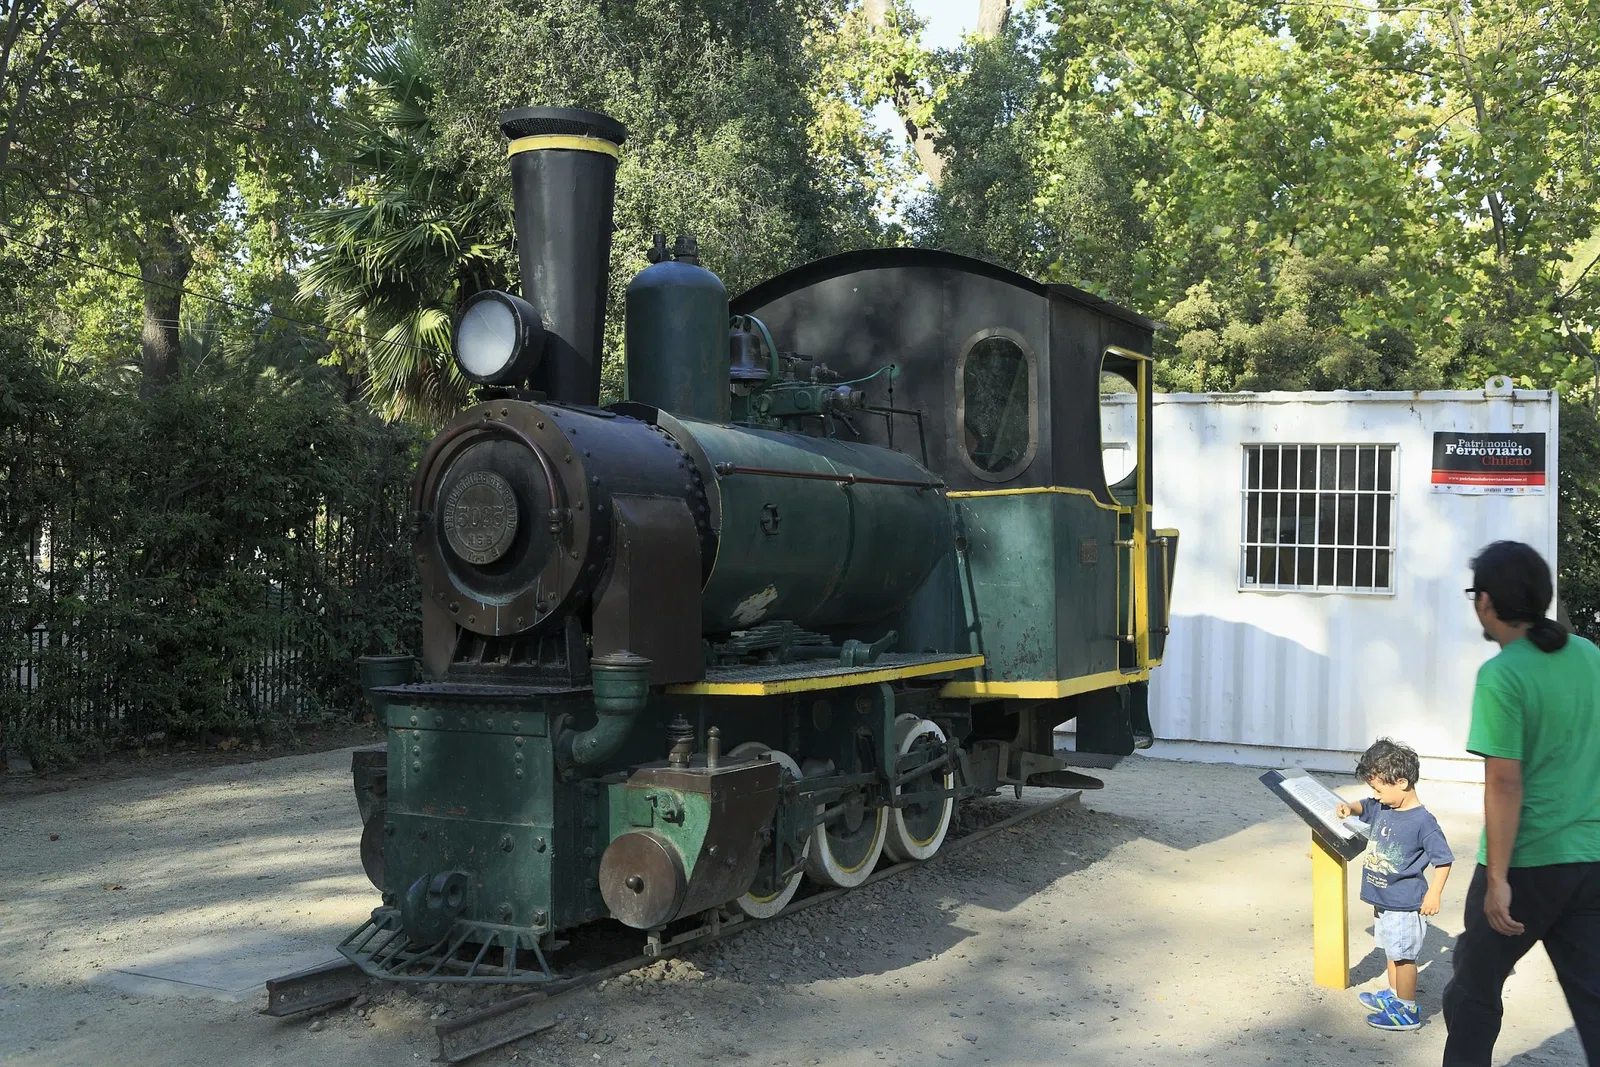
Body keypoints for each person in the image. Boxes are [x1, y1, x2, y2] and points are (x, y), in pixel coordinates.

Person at [1441, 540, 1600, 1065]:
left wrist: (1498, 880)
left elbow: (1505, 783)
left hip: (1527, 865)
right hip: (1590, 860)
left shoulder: (1502, 674)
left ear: (1485, 601)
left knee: (1472, 994)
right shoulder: (1590, 656)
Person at [1335, 738, 1454, 1030]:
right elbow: (1364, 806)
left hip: (1404, 902)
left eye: (1378, 789)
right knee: (1392, 950)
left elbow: (1443, 860)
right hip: (1385, 900)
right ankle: (1394, 995)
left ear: (1401, 782)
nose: (1374, 795)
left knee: (1404, 958)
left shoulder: (1423, 822)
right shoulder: (1383, 807)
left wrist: (1434, 894)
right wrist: (1349, 808)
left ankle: (1407, 1009)